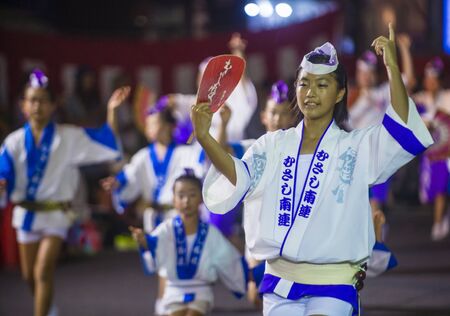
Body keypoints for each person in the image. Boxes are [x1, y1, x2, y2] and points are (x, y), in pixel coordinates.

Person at [191, 24, 433, 315]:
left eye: (322, 85)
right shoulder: (273, 145)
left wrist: (393, 67)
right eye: (304, 84)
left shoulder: (355, 146)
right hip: (279, 282)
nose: (311, 93)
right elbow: (238, 177)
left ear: (340, 92)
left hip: (335, 283)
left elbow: (402, 132)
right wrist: (205, 137)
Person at [0, 69, 129, 316]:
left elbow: (106, 142)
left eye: (43, 100)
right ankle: (49, 309)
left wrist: (111, 111)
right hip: (26, 214)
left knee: (42, 272)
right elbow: (3, 170)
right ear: (23, 105)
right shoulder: (13, 142)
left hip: (56, 215)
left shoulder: (68, 137)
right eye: (32, 100)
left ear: (53, 105)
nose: (37, 106)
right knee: (29, 276)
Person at [101, 99, 203, 316]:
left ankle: (164, 305)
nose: (148, 128)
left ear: (168, 126)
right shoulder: (142, 156)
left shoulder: (185, 153)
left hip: (178, 215)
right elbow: (128, 177)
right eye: (147, 124)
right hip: (153, 216)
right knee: (164, 265)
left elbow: (202, 163)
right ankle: (174, 303)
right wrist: (117, 183)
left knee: (170, 263)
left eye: (154, 123)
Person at [130, 172, 248, 316]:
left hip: (201, 290)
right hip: (174, 289)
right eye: (181, 195)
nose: (186, 201)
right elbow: (154, 245)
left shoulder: (210, 233)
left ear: (201, 198)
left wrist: (249, 274)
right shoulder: (167, 229)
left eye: (192, 195)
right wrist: (143, 241)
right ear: (173, 199)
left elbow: (228, 258)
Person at [413, 57, 450, 241]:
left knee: (442, 189)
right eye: (428, 78)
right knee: (430, 192)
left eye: (434, 78)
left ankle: (437, 223)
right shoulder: (420, 99)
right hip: (430, 154)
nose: (431, 82)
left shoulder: (448, 97)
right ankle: (441, 218)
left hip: (448, 153)